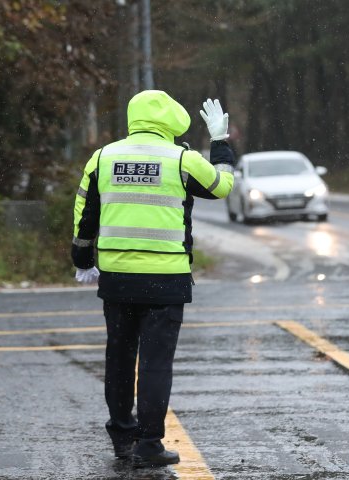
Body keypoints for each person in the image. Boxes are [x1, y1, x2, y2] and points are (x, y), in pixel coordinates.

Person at [71, 91, 234, 468]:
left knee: (119, 358)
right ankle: (148, 445)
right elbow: (222, 186)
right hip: (166, 279)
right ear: (171, 121)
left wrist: (82, 258)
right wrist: (220, 141)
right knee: (155, 363)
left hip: (118, 278)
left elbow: (85, 212)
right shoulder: (182, 159)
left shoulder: (103, 157)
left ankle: (122, 439)